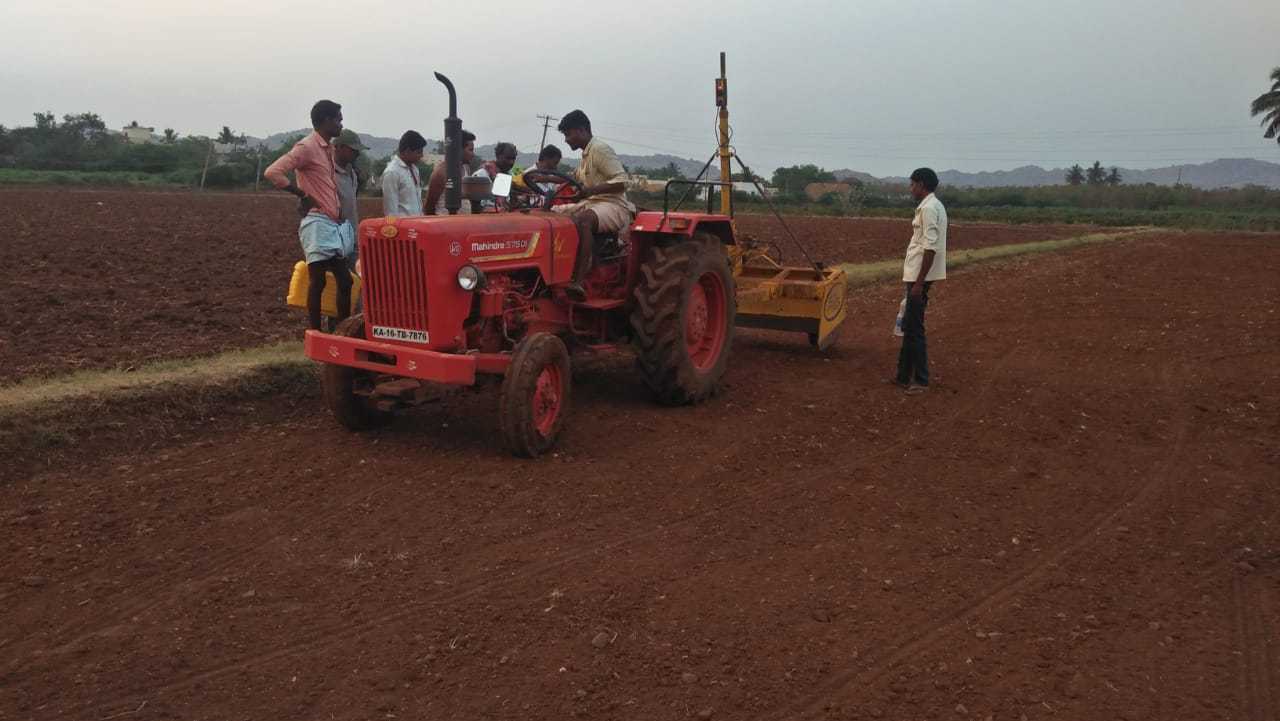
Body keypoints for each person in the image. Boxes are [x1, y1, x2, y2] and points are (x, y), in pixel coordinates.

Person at [264, 99, 354, 331]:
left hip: (332, 223)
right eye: (338, 119)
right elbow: (273, 172)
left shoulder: (327, 149)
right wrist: (301, 194)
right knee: (320, 281)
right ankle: (315, 332)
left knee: (344, 281)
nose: (341, 123)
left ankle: (339, 331)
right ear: (326, 120)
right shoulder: (306, 147)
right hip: (316, 222)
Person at [550, 110, 635, 300]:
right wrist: (540, 178)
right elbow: (571, 179)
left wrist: (591, 191)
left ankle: (578, 279)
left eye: (567, 134)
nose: (566, 140)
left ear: (581, 131)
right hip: (593, 203)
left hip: (614, 205)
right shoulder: (585, 155)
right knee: (549, 214)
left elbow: (623, 181)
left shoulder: (599, 149)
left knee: (583, 221)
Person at [893, 167, 947, 394]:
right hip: (917, 275)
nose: (911, 188)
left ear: (921, 184)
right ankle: (903, 376)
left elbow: (930, 247)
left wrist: (918, 283)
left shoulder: (929, 208)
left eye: (912, 184)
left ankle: (921, 380)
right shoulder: (933, 206)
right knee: (909, 325)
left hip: (919, 277)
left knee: (915, 329)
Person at [425, 130, 477, 214]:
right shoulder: (441, 173)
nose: (473, 154)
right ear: (459, 149)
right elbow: (429, 207)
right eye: (470, 150)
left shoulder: (466, 168)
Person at [382, 130, 426, 216]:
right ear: (408, 151)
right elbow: (391, 212)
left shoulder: (414, 169)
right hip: (403, 227)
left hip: (417, 226)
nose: (421, 156)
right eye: (419, 152)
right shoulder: (392, 172)